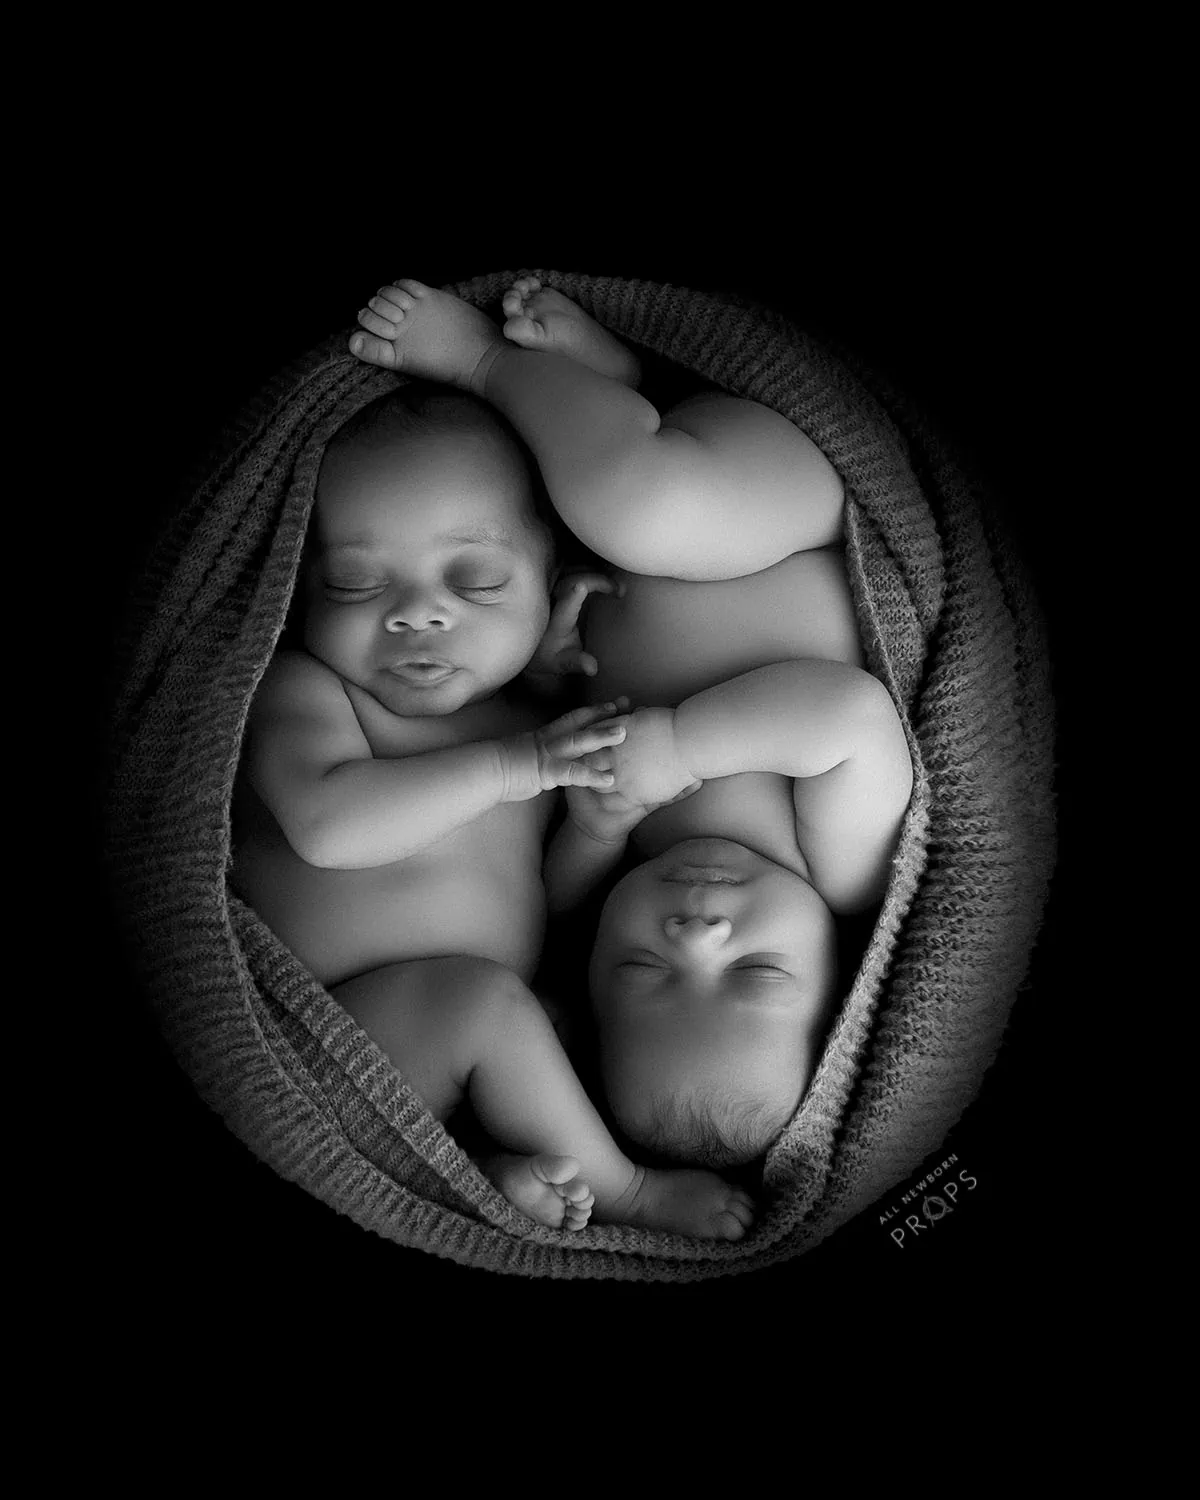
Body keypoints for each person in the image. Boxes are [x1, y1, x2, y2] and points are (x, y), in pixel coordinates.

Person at [348, 274, 913, 1176]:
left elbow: (562, 874)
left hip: (631, 527)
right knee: (644, 510)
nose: (693, 936)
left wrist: (556, 684)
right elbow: (852, 718)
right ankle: (493, 365)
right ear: (843, 982)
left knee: (542, 557)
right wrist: (684, 746)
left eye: (641, 972)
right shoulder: (839, 871)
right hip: (784, 514)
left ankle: (611, 391)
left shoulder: (627, 858)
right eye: (756, 975)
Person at [231, 373, 754, 1240]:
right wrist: (515, 767)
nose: (418, 614)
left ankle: (482, 1171)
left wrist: (592, 828)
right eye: (356, 586)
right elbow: (327, 826)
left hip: (449, 1053)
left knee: (540, 1016)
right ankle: (624, 1193)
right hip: (329, 1045)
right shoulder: (311, 690)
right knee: (486, 1006)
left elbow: (544, 902)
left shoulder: (527, 728)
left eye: (475, 584)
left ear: (548, 592)